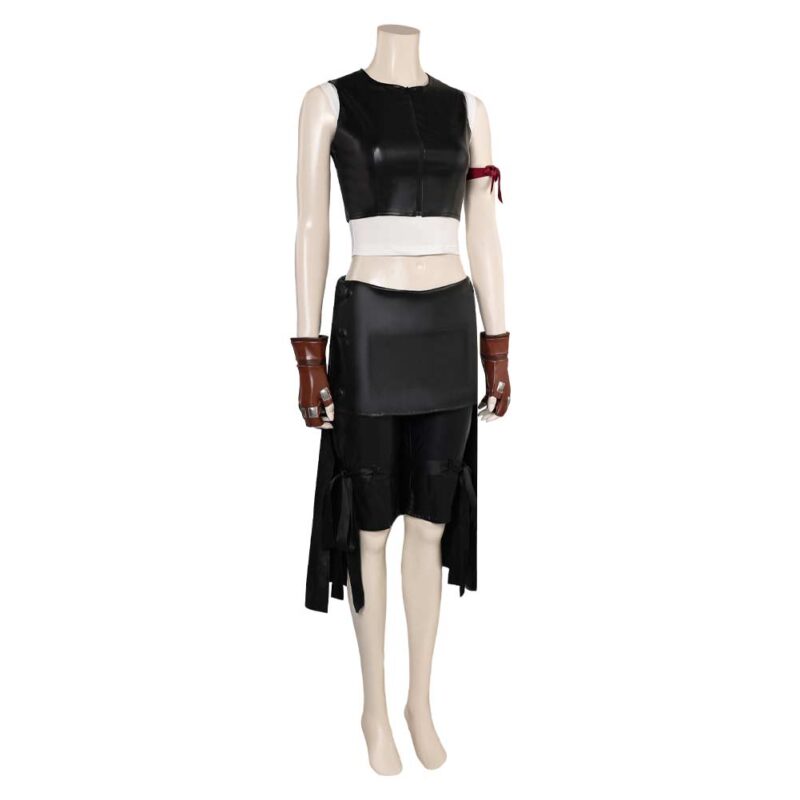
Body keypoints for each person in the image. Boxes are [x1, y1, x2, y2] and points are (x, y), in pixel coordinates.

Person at [290, 25, 510, 775]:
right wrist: (308, 353)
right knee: (372, 529)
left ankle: (420, 700)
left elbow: (484, 227)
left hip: (449, 324)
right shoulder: (327, 103)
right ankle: (374, 707)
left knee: (431, 526)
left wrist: (497, 344)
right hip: (372, 327)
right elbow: (311, 227)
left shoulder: (468, 109)